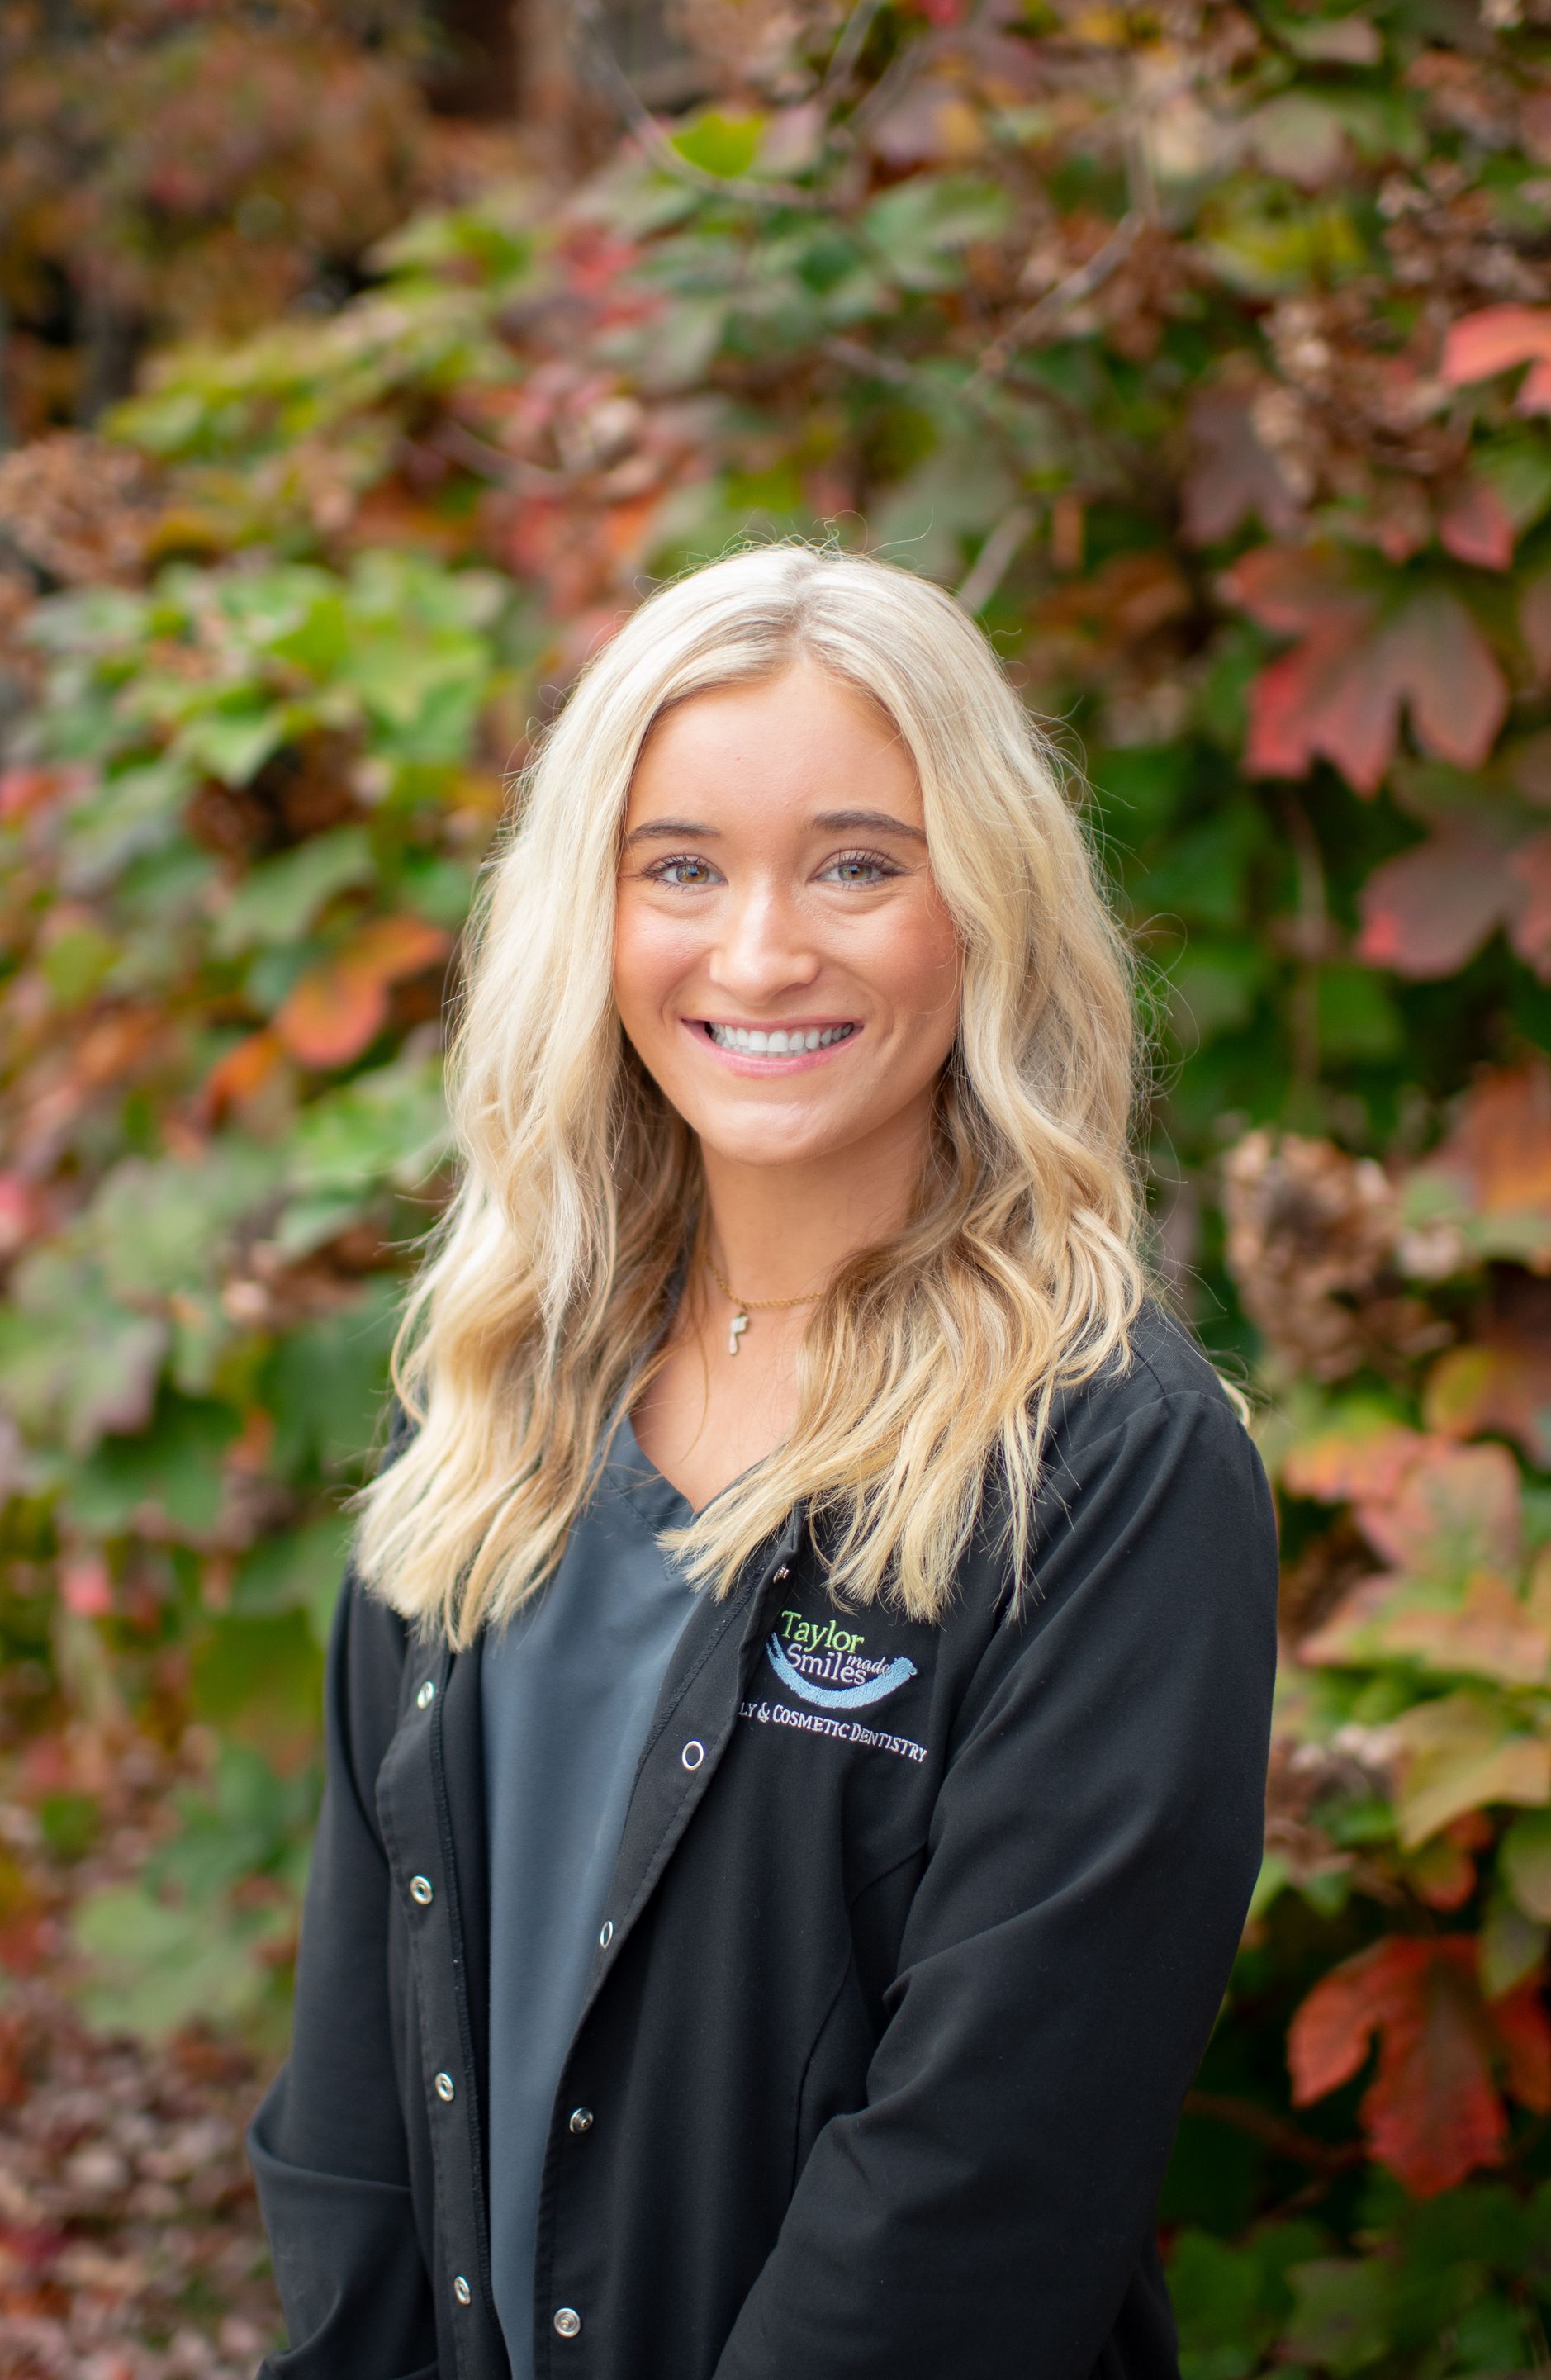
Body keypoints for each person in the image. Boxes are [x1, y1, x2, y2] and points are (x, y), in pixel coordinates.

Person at [246, 539, 1278, 2380]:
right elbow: (354, 2086)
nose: (760, 949)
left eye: (859, 864)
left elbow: (984, 2180)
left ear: (987, 900)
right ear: (595, 911)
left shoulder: (1110, 1470)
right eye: (682, 868)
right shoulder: (490, 1399)